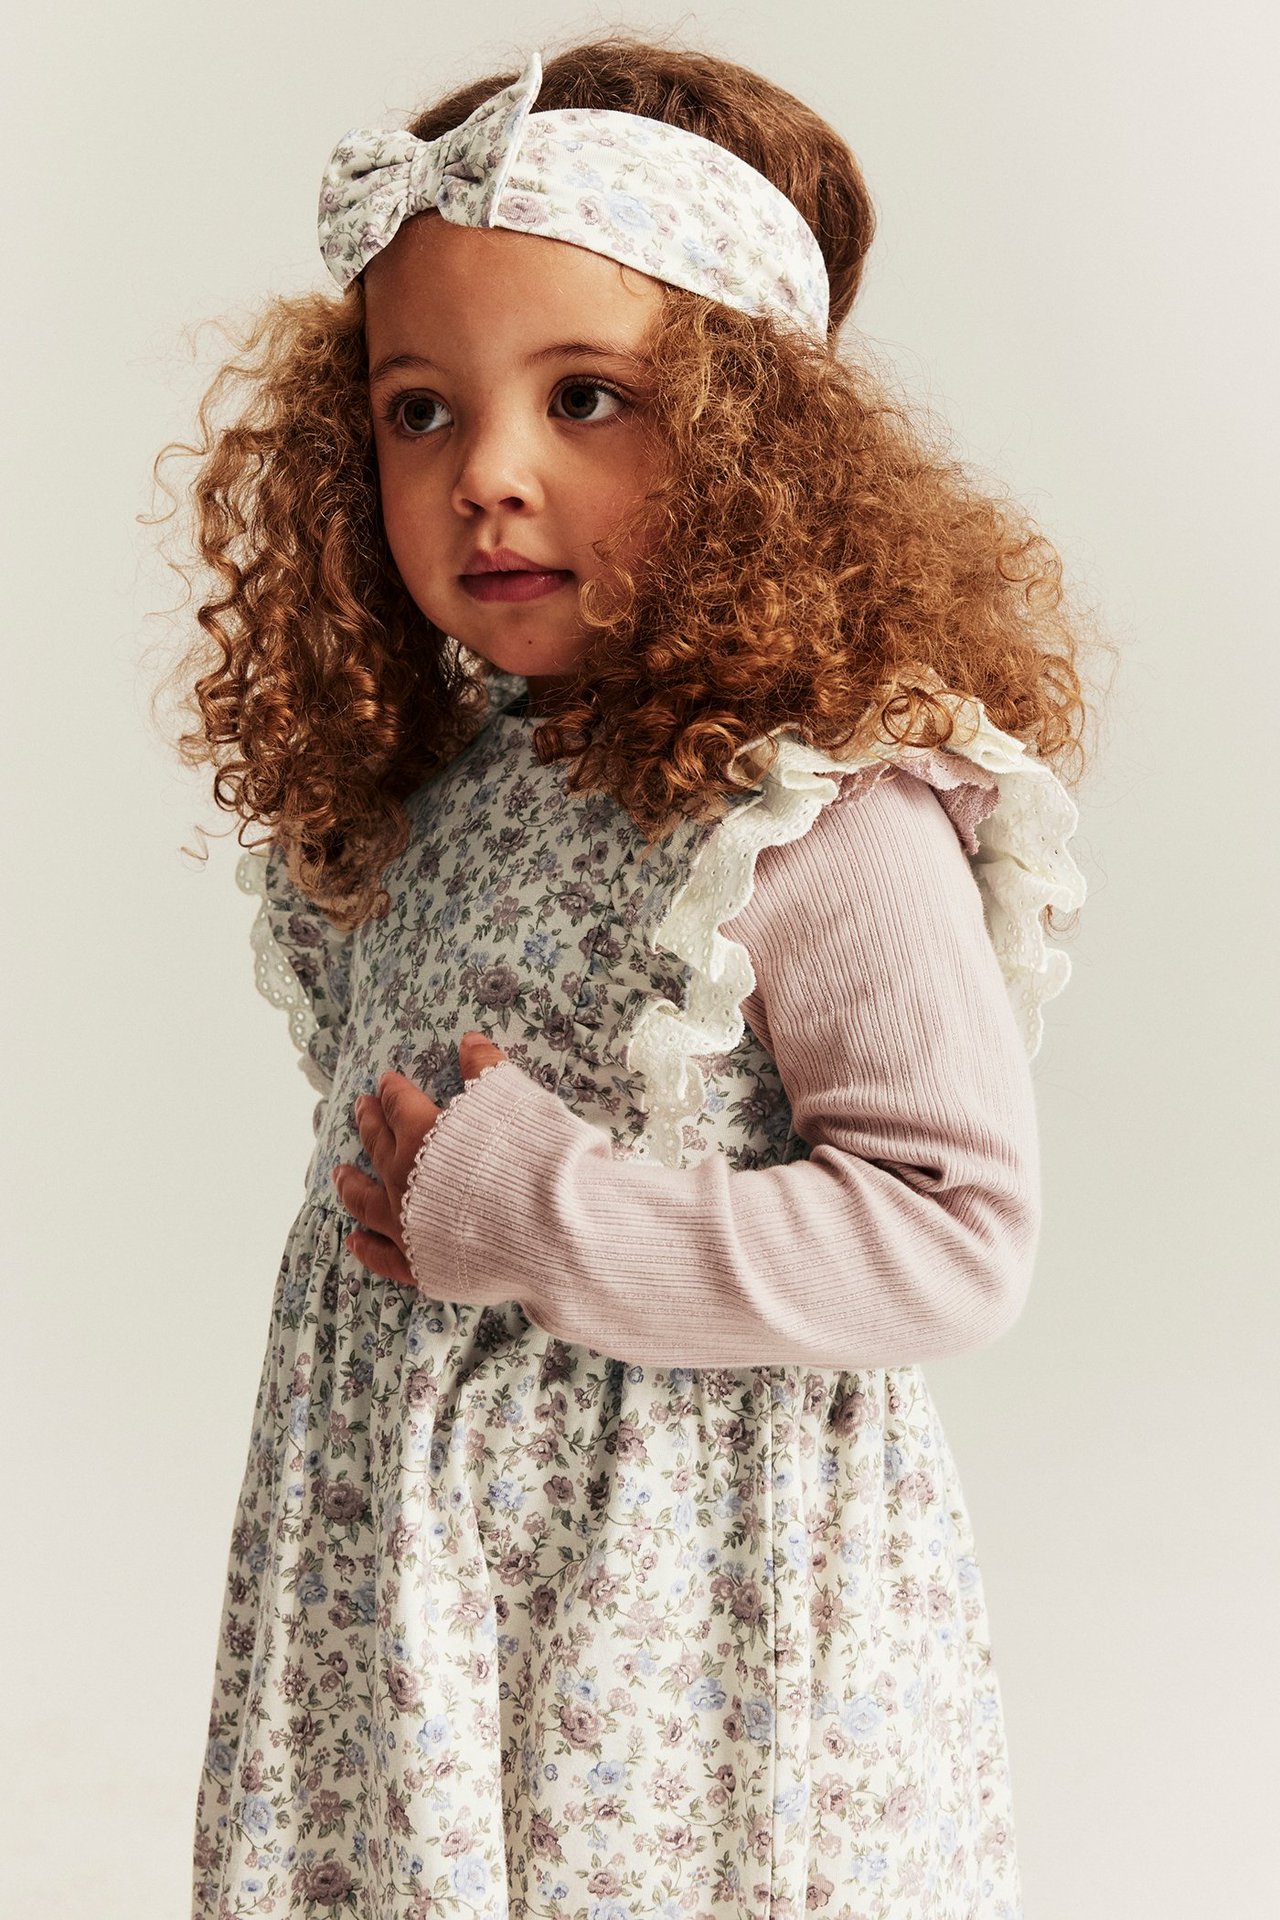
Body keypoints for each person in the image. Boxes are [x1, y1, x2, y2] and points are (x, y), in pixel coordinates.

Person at [162, 32, 1096, 1920]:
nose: (490, 475)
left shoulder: (808, 808)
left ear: (762, 448)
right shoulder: (431, 781)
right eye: (418, 410)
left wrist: (540, 1213)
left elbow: (955, 1236)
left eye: (587, 396)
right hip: (406, 1594)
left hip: (679, 1599)